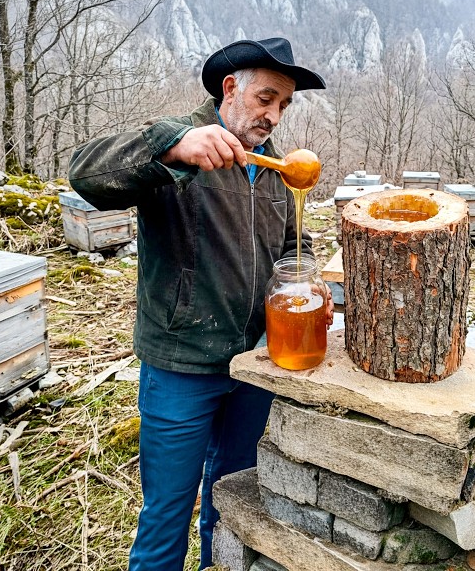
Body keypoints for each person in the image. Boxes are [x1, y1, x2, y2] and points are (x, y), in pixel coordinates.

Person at [68, 37, 325, 571]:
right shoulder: (177, 146)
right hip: (182, 365)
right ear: (231, 89)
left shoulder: (277, 172)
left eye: (283, 105)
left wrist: (310, 288)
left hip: (254, 367)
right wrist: (171, 149)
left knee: (231, 505)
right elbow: (85, 174)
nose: (274, 115)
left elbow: (292, 251)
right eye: (266, 98)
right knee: (166, 513)